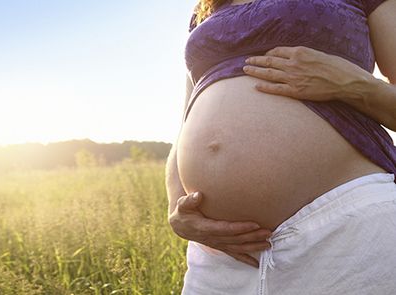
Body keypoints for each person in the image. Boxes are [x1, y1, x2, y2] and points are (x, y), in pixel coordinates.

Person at [165, 0, 396, 294]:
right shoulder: (207, 9)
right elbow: (185, 121)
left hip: (346, 228)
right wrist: (177, 210)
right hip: (222, 256)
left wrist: (350, 84)